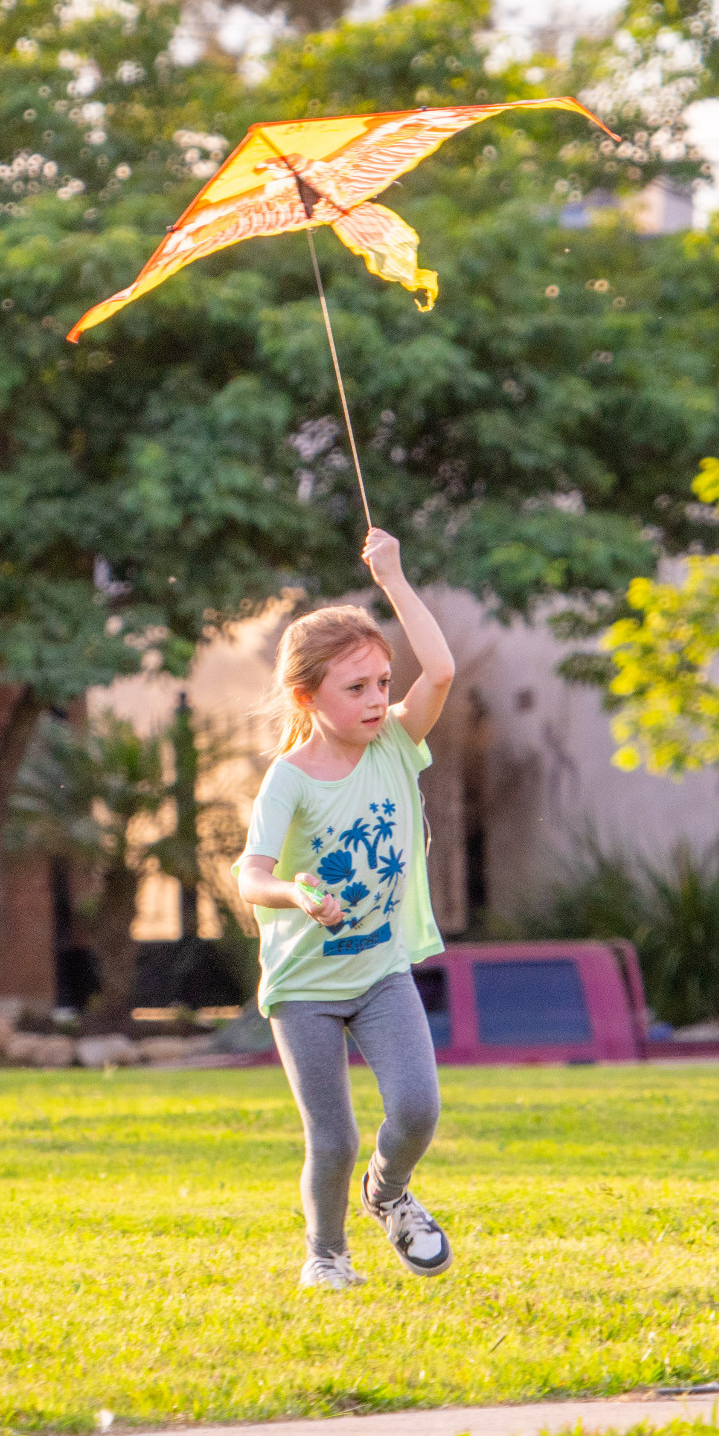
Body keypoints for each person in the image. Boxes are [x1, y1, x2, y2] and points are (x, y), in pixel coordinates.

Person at [236, 527, 455, 1290]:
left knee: (417, 1109)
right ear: (306, 698)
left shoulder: (395, 742)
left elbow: (442, 667)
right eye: (353, 688)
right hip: (302, 986)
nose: (374, 700)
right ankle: (325, 1256)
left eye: (378, 682)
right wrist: (293, 893)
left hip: (378, 971)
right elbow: (249, 875)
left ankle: (388, 1195)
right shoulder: (288, 779)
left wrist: (392, 576)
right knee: (331, 1138)